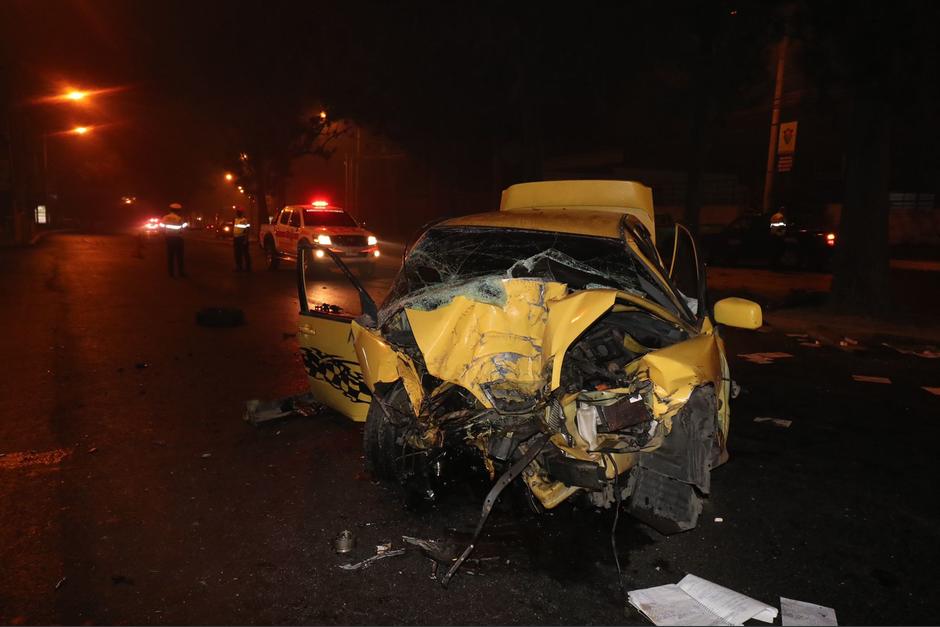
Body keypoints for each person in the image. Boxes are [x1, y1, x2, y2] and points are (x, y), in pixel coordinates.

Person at [162, 203, 187, 277]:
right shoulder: (179, 218)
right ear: (178, 210)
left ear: (170, 209)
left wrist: (165, 234)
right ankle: (181, 272)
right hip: (178, 239)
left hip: (169, 238)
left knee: (170, 256)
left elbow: (162, 227)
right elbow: (183, 229)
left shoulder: (165, 217)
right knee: (179, 256)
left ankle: (171, 273)